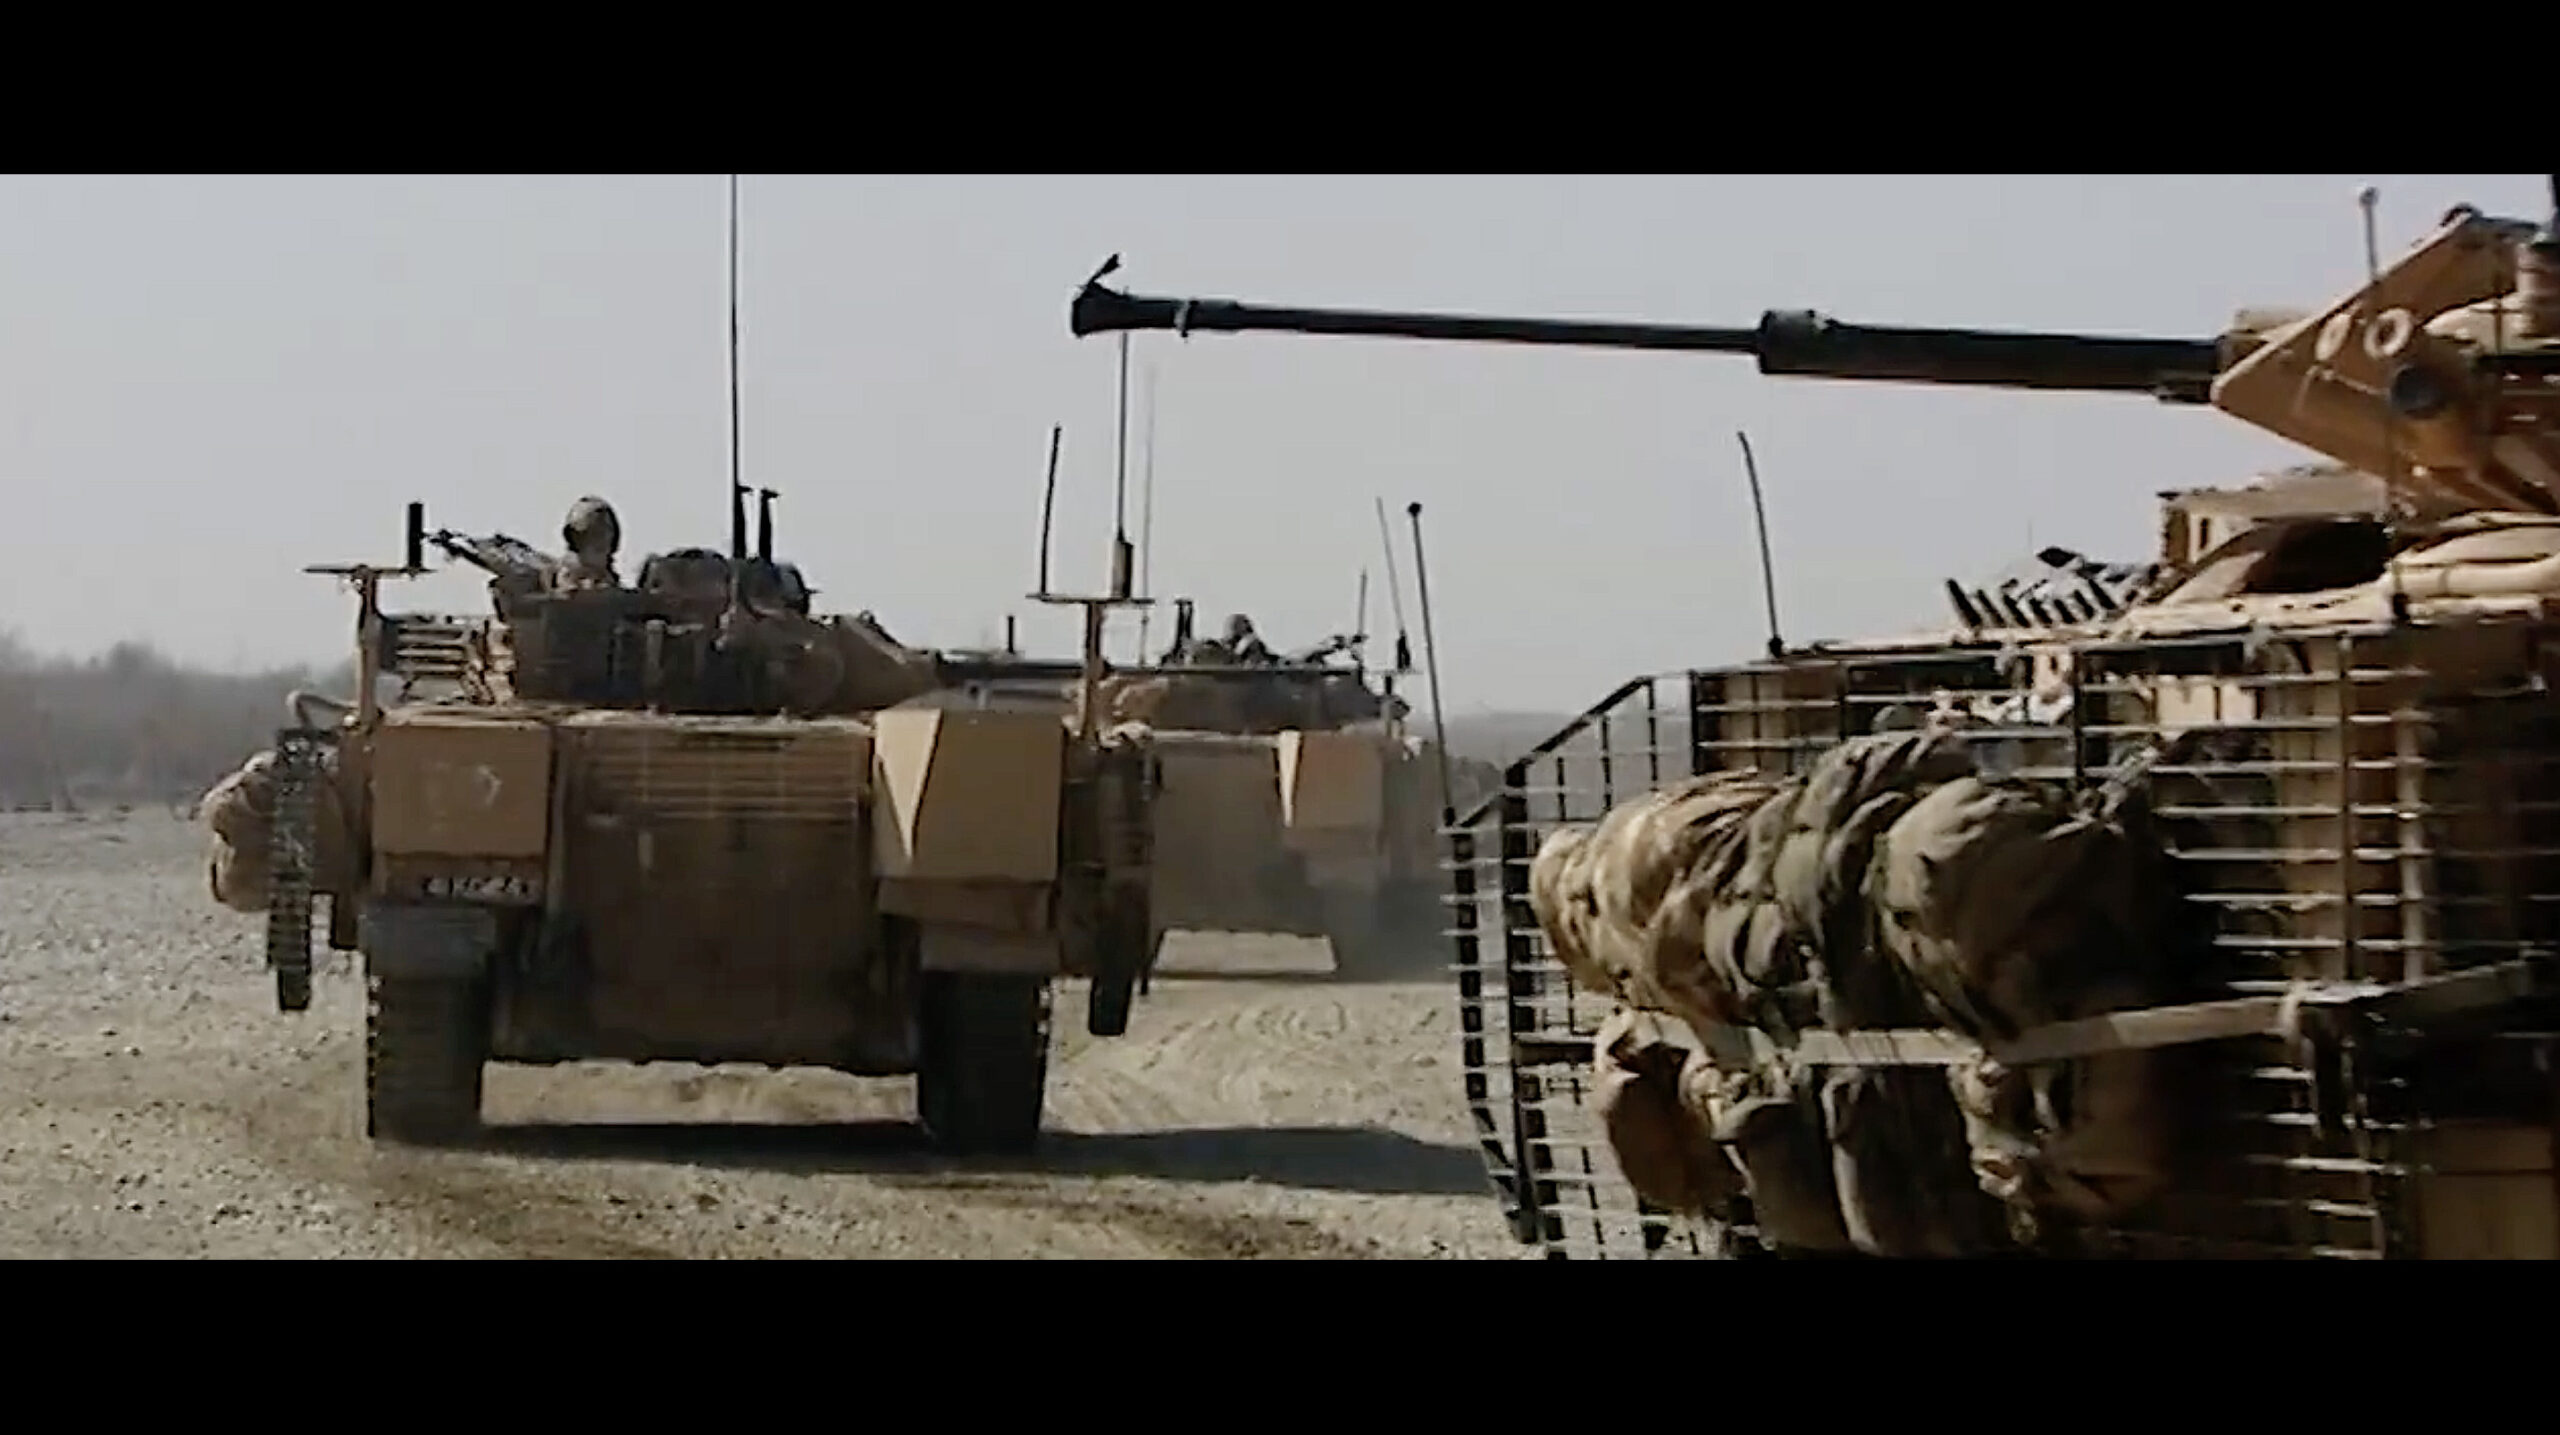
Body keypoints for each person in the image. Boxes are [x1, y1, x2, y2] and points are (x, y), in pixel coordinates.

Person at [553, 496, 624, 592]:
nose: (603, 539)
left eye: (608, 531)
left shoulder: (610, 582)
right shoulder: (560, 575)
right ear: (576, 537)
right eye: (596, 532)